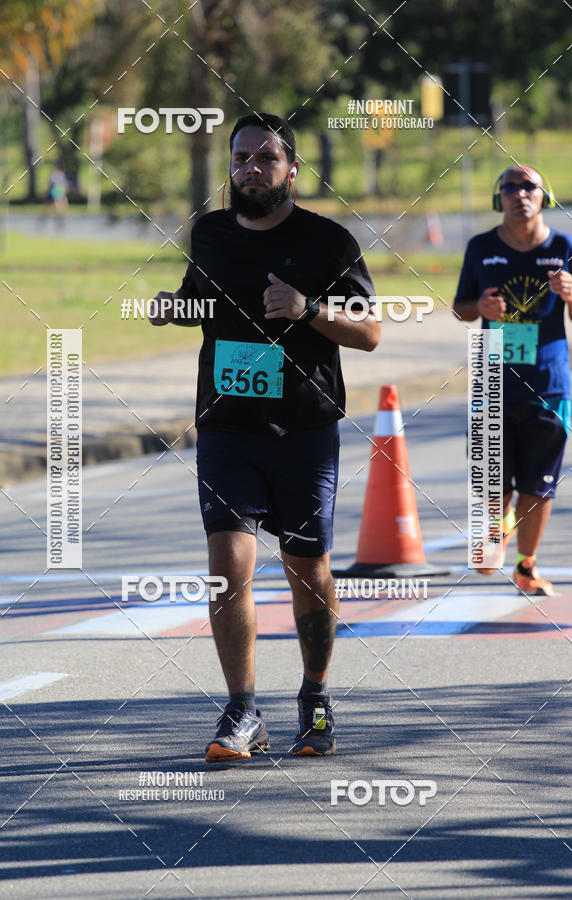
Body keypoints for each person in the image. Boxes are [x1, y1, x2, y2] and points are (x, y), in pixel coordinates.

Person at [151, 112, 379, 761]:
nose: (251, 168)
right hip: (227, 427)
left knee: (307, 570)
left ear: (292, 169)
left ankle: (315, 695)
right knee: (228, 563)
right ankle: (242, 710)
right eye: (241, 158)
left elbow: (369, 331)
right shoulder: (211, 233)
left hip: (303, 429)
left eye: (265, 158)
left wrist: (308, 310)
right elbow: (202, 299)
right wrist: (174, 308)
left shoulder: (327, 242)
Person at [453, 165, 572, 595]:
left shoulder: (565, 247)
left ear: (545, 196)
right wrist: (479, 308)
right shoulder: (481, 246)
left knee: (539, 484)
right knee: (490, 480)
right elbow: (460, 307)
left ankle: (527, 566)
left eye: (529, 187)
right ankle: (496, 527)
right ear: (498, 198)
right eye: (510, 188)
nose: (520, 194)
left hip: (548, 383)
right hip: (492, 379)